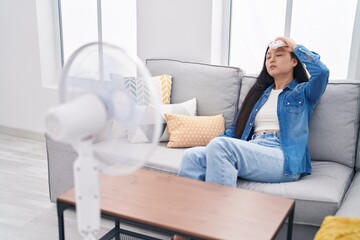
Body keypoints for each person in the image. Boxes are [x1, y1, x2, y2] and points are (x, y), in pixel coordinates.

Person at [177, 37, 329, 187]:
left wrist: (296, 47)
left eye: (279, 55)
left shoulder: (303, 92)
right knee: (192, 156)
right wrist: (212, 147)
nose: (272, 60)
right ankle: (190, 210)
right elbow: (236, 130)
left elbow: (321, 72)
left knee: (220, 146)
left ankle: (221, 210)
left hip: (282, 156)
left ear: (294, 61)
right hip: (254, 147)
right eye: (268, 57)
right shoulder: (259, 95)